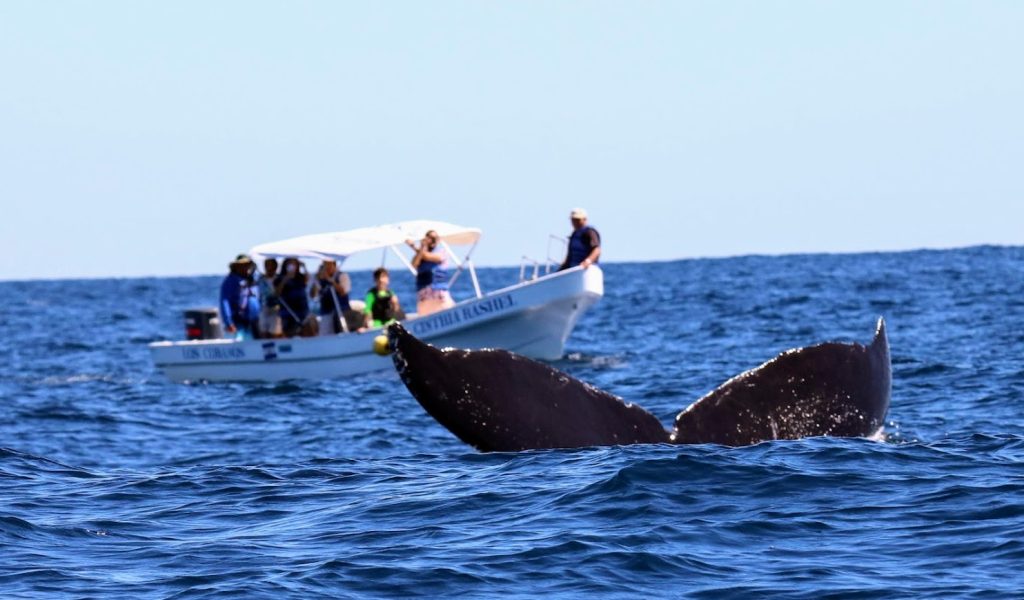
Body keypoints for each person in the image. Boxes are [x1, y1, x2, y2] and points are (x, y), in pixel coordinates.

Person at [407, 229, 455, 316]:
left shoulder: (442, 252)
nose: (433, 240)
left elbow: (429, 257)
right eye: (430, 238)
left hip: (440, 294)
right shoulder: (419, 255)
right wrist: (421, 248)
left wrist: (413, 246)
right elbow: (414, 264)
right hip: (424, 296)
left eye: (435, 238)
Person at [219, 254, 260, 340]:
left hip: (255, 322)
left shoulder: (252, 280)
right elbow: (224, 302)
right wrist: (229, 322)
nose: (245, 268)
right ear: (236, 267)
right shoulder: (230, 281)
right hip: (239, 322)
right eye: (241, 265)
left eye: (247, 265)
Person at [310, 259, 352, 335]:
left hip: (342, 311)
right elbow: (313, 295)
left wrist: (330, 280)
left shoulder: (342, 276)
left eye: (329, 265)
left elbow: (343, 292)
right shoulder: (320, 279)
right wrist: (316, 280)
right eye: (325, 265)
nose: (327, 267)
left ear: (334, 265)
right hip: (326, 312)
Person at [274, 257, 312, 337]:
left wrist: (304, 267)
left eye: (294, 263)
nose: (292, 265)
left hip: (302, 311)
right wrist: (285, 279)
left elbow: (308, 280)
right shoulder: (279, 278)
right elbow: (277, 293)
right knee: (290, 334)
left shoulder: (300, 277)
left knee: (306, 333)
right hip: (288, 312)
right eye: (290, 263)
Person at [256, 257, 283, 338]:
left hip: (276, 308)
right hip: (264, 308)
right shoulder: (261, 279)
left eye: (271, 266)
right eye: (267, 265)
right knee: (263, 332)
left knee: (275, 333)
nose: (269, 268)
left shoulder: (279, 279)